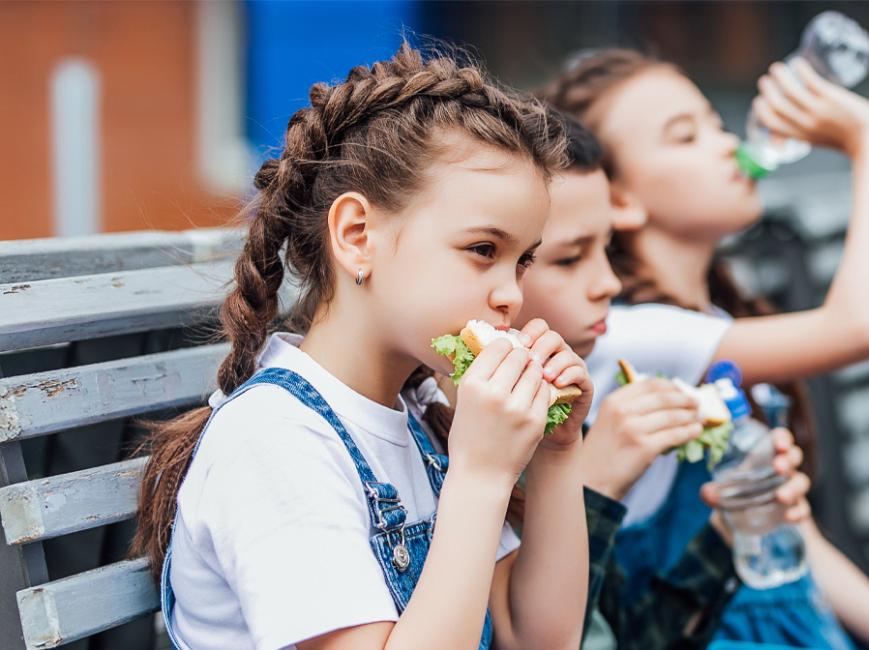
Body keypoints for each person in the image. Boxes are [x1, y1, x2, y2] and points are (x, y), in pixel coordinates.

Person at [132, 45, 590, 650]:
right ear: (356, 236)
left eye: (524, 260)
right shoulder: (273, 442)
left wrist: (556, 455)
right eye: (483, 249)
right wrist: (480, 476)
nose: (510, 295)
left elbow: (538, 638)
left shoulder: (423, 415)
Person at [542, 49, 869, 650]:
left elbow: (796, 537)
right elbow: (865, 325)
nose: (725, 144)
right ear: (620, 199)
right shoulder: (627, 336)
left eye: (716, 124)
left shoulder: (709, 320)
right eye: (685, 136)